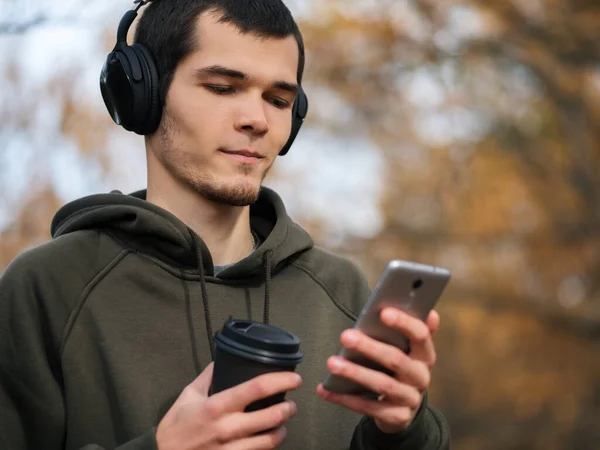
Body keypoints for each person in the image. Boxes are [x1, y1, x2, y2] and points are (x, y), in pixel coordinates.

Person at [0, 0, 451, 449]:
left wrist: (404, 432)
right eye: (222, 88)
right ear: (144, 94)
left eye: (278, 100)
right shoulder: (47, 287)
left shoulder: (342, 292)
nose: (257, 120)